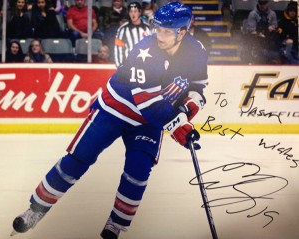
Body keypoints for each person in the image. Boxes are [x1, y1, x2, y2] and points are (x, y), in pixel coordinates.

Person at [11, 2, 208, 239]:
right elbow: (147, 103)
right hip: (115, 109)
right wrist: (178, 126)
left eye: (167, 31)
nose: (160, 36)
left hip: (150, 122)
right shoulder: (145, 51)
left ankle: (116, 224)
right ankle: (36, 209)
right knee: (78, 159)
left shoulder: (196, 51)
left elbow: (198, 86)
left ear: (182, 32)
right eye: (158, 29)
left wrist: (188, 110)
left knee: (138, 172)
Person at [114, 1, 151, 67]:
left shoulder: (148, 28)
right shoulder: (123, 29)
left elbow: (154, 47)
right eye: (131, 11)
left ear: (139, 12)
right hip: (129, 66)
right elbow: (118, 48)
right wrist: (119, 66)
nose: (133, 14)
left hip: (147, 67)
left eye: (135, 11)